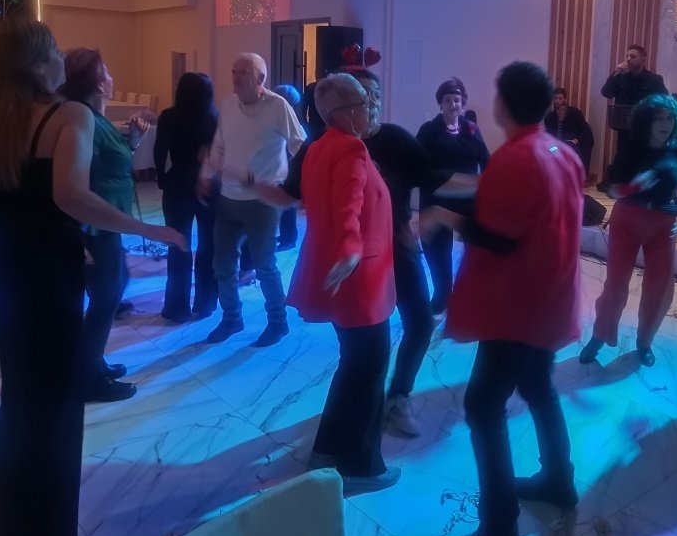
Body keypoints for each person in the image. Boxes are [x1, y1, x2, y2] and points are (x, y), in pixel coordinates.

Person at [0, 19, 183, 536]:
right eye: (53, 53)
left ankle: (10, 496)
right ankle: (39, 531)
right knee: (56, 400)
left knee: (22, 387)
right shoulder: (68, 114)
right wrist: (147, 228)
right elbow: (70, 196)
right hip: (47, 270)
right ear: (39, 62)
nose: (58, 61)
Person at [252, 68, 476, 438]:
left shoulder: (394, 139)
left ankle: (396, 397)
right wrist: (251, 185)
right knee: (363, 352)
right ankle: (352, 428)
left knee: (420, 323)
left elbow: (436, 178)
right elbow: (295, 195)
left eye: (375, 97)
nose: (370, 104)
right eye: (363, 96)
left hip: (398, 249)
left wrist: (485, 184)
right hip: (357, 262)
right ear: (344, 106)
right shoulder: (328, 144)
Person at [420, 61, 583, 536]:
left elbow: (500, 238)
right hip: (551, 296)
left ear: (502, 103)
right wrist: (467, 189)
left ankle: (499, 527)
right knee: (538, 386)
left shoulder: (516, 157)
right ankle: (559, 480)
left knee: (483, 405)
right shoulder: (560, 151)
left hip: (517, 305)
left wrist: (442, 217)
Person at [285, 72, 401, 496]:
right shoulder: (351, 147)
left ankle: (327, 448)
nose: (369, 108)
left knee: (352, 365)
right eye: (361, 103)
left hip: (342, 275)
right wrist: (351, 248)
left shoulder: (319, 147)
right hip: (358, 278)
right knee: (369, 370)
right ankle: (361, 466)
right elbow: (347, 206)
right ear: (340, 114)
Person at [199, 53, 306, 347]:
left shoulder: (278, 106)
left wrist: (296, 188)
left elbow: (301, 147)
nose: (236, 78)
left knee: (264, 266)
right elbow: (219, 144)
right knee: (223, 265)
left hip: (262, 201)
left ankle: (278, 322)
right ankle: (232, 318)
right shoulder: (228, 104)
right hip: (228, 198)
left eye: (243, 72)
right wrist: (207, 174)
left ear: (261, 78)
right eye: (234, 72)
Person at [579, 93, 677, 368]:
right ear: (647, 121)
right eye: (659, 118)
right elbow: (612, 190)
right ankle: (599, 335)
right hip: (628, 220)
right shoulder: (631, 148)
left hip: (663, 223)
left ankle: (645, 342)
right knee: (615, 285)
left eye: (670, 118)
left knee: (659, 288)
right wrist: (634, 187)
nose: (665, 123)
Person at [59, 47, 147, 403]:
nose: (112, 77)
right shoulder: (86, 121)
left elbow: (113, 164)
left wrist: (134, 143)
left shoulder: (98, 117)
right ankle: (89, 375)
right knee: (107, 296)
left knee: (111, 291)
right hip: (95, 227)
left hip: (107, 225)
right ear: (99, 82)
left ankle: (90, 362)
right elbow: (79, 178)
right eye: (107, 71)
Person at [417, 77, 490, 314]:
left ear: (463, 103)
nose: (453, 104)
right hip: (437, 200)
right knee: (438, 252)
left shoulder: (472, 129)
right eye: (448, 100)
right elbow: (418, 164)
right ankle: (442, 294)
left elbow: (485, 160)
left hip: (468, 199)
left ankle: (469, 294)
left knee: (477, 250)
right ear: (440, 103)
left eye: (457, 100)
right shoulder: (429, 130)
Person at [154, 72, 219, 323]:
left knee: (178, 246)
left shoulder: (169, 116)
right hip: (209, 185)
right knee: (208, 246)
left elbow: (160, 150)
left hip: (178, 182)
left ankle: (176, 307)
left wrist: (162, 178)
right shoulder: (216, 118)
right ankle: (206, 303)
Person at [600, 44, 668, 162]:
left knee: (642, 162)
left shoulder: (654, 79)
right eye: (627, 56)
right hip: (625, 129)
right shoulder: (620, 78)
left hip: (645, 129)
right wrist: (615, 73)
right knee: (623, 160)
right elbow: (606, 93)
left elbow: (664, 100)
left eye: (632, 56)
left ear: (643, 59)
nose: (628, 59)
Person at [272, 83, 303, 251]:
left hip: (287, 168)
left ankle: (289, 238)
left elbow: (297, 146)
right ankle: (286, 236)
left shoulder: (289, 119)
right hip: (279, 167)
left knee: (287, 204)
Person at [543, 86, 594, 176]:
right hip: (557, 144)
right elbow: (547, 135)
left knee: (571, 150)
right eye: (556, 98)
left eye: (560, 98)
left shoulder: (575, 112)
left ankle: (574, 175)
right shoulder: (549, 117)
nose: (558, 101)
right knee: (551, 151)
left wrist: (576, 140)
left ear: (565, 99)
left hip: (573, 142)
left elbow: (586, 129)